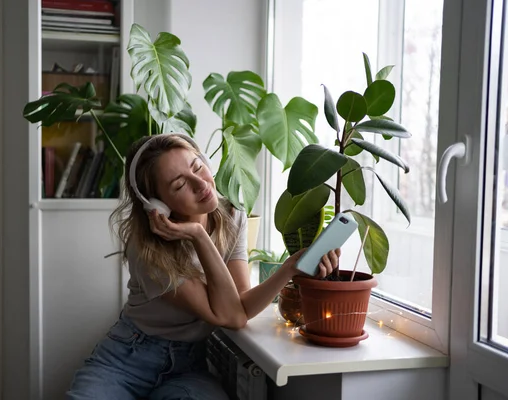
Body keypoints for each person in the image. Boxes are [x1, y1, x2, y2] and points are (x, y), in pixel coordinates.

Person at [66, 133, 340, 400]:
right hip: (125, 362)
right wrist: (198, 236)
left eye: (198, 167)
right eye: (179, 185)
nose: (201, 184)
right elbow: (230, 317)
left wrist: (290, 268)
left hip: (188, 367)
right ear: (157, 205)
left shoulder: (233, 216)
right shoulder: (147, 247)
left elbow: (240, 307)